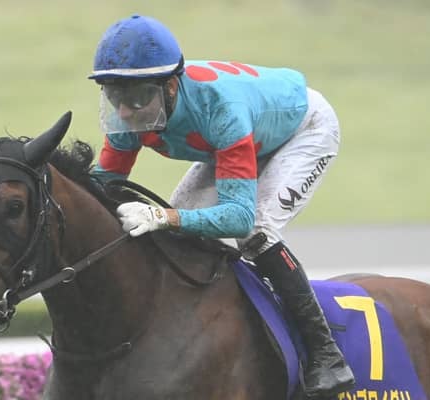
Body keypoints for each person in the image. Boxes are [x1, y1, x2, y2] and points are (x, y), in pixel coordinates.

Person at [88, 14, 355, 399]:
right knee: (180, 229)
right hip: (241, 138)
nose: (125, 111)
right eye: (115, 96)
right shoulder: (134, 111)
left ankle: (325, 354)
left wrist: (163, 216)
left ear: (170, 86)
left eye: (136, 98)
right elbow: (104, 186)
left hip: (303, 129)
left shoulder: (220, 111)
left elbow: (238, 217)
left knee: (255, 230)